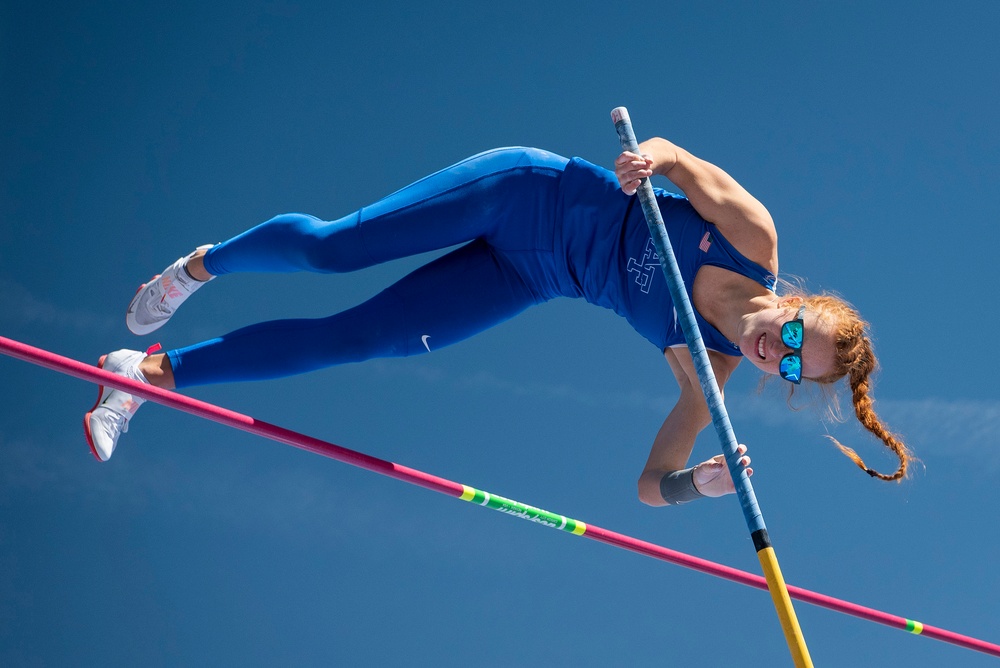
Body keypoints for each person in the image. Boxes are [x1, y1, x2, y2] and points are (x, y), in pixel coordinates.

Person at [84, 141, 912, 506]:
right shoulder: (751, 236)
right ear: (801, 305)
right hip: (523, 192)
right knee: (337, 250)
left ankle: (144, 375)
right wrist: (648, 162)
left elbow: (648, 488)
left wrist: (700, 482)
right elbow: (674, 154)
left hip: (527, 273)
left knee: (358, 339)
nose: (784, 354)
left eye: (799, 370)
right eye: (801, 338)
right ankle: (201, 266)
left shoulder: (712, 372)